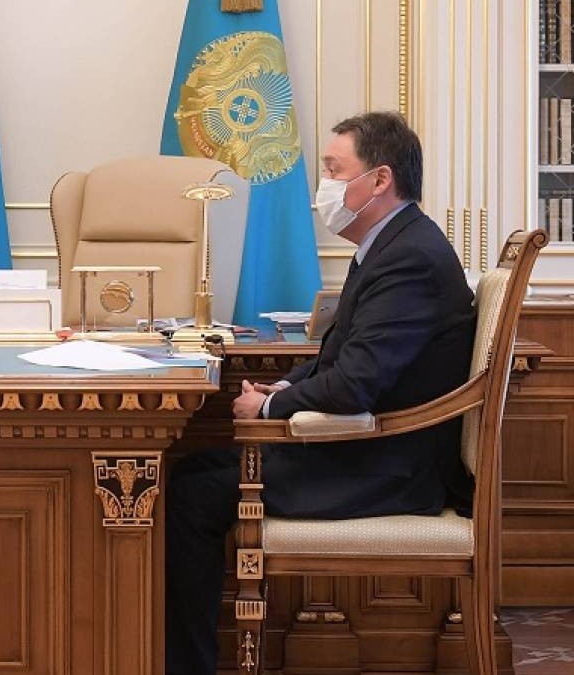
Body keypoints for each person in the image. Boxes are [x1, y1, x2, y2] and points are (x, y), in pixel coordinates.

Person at [164, 111, 476, 675]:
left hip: (386, 466)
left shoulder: (408, 257)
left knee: (190, 495)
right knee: (189, 469)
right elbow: (342, 358)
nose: (323, 185)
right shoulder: (392, 243)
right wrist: (285, 386)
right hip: (367, 450)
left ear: (379, 179)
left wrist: (269, 406)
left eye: (334, 170)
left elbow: (356, 383)